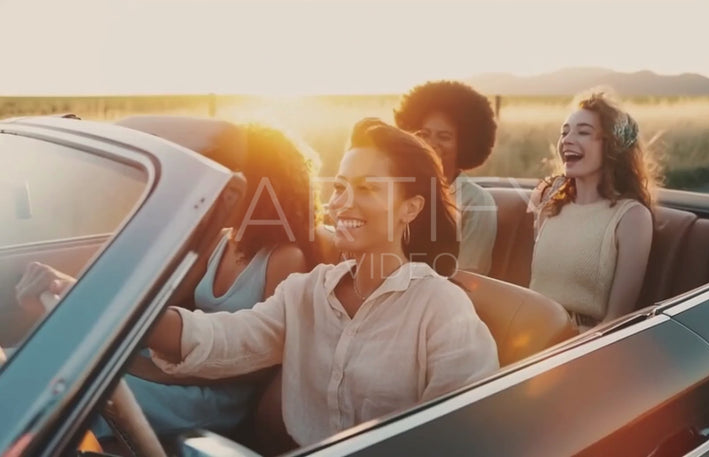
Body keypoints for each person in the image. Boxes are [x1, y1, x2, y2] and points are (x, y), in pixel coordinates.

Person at [146, 118, 499, 447]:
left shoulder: (441, 307)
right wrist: (133, 317)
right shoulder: (306, 291)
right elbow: (226, 337)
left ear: (410, 208)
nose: (343, 204)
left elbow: (464, 432)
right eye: (341, 187)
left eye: (367, 189)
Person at [15, 122, 322, 437]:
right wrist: (77, 298)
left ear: (263, 187)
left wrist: (157, 372)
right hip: (174, 362)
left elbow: (262, 363)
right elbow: (159, 302)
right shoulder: (222, 240)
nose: (221, 187)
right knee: (45, 369)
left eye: (234, 175)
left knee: (80, 398)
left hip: (217, 392)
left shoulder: (285, 258)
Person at [527, 90, 657, 331]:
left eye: (583, 132)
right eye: (564, 132)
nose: (567, 139)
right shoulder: (549, 203)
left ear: (611, 146)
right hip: (528, 331)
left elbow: (617, 319)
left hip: (581, 344)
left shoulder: (632, 217)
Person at [394, 81, 498, 275]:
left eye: (444, 137)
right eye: (423, 134)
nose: (431, 144)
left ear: (465, 144)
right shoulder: (399, 190)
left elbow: (471, 280)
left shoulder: (476, 202)